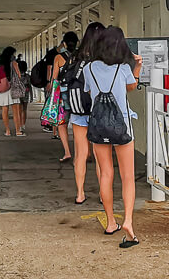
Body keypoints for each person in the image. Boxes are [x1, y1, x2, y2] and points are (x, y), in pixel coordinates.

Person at [84, 25, 142, 248]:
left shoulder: (89, 68)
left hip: (98, 126)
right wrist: (136, 68)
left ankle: (110, 222)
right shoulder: (123, 68)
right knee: (127, 177)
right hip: (123, 126)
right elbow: (131, 87)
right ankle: (127, 222)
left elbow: (90, 92)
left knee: (105, 174)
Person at [69, 22, 105, 205]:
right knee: (100, 155)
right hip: (98, 110)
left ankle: (80, 194)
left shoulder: (76, 58)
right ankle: (102, 194)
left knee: (81, 154)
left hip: (78, 109)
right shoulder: (104, 60)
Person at [48, 32, 78, 162]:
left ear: (64, 44)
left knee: (62, 124)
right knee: (80, 124)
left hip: (64, 94)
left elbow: (55, 78)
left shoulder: (58, 58)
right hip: (79, 94)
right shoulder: (81, 57)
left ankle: (67, 152)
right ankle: (83, 152)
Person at [0, 46, 26, 136]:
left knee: (4, 109)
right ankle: (18, 131)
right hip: (12, 88)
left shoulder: (0, 63)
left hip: (2, 87)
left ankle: (7, 131)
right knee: (16, 110)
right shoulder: (14, 62)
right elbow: (18, 75)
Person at [16, 54, 31, 121]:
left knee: (19, 109)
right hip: (26, 94)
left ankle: (19, 125)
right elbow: (30, 86)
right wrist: (32, 96)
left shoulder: (16, 76)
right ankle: (23, 124)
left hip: (18, 94)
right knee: (24, 110)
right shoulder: (27, 76)